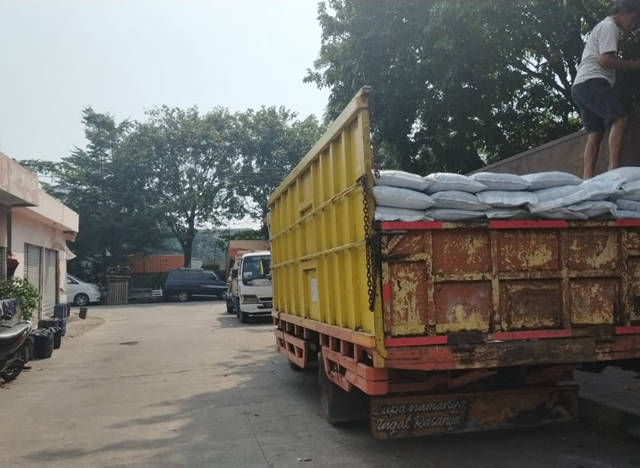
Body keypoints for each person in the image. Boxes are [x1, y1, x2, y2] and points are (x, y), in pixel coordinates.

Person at [571, 0, 640, 179]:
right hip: (592, 82)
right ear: (623, 12)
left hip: (580, 85)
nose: (633, 24)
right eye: (633, 19)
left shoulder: (603, 26)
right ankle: (613, 170)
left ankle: (587, 179)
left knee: (595, 133)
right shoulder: (610, 27)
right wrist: (634, 65)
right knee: (620, 118)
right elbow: (605, 60)